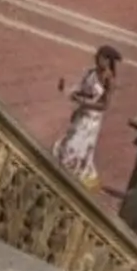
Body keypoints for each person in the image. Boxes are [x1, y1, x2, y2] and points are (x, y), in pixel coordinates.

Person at [52, 46, 122, 187]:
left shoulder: (109, 80)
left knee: (76, 145)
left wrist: (86, 103)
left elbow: (104, 106)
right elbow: (80, 89)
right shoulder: (91, 72)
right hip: (81, 114)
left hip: (91, 120)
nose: (97, 59)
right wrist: (67, 90)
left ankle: (72, 173)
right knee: (70, 141)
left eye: (101, 57)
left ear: (108, 61)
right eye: (97, 56)